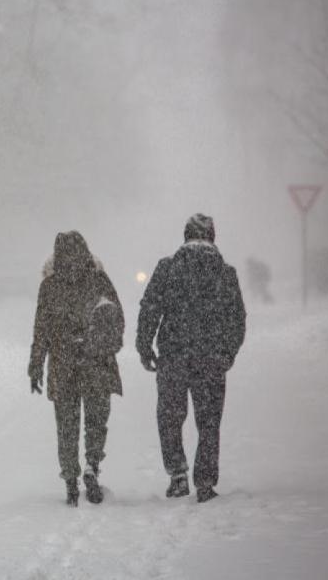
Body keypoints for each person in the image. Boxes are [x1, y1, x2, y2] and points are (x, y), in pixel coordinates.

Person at [136, 214, 246, 503]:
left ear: (185, 236)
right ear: (212, 236)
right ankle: (206, 482)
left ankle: (178, 475)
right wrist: (226, 353)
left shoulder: (168, 268)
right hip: (210, 359)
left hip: (173, 356)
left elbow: (150, 308)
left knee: (170, 417)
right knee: (209, 422)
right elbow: (237, 319)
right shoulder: (225, 272)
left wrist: (144, 346)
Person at [29, 231, 124, 506]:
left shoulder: (49, 285)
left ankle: (71, 480)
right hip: (97, 362)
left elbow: (41, 330)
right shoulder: (99, 279)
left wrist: (36, 365)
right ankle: (92, 466)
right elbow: (117, 318)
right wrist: (107, 345)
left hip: (63, 363)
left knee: (67, 426)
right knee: (96, 422)